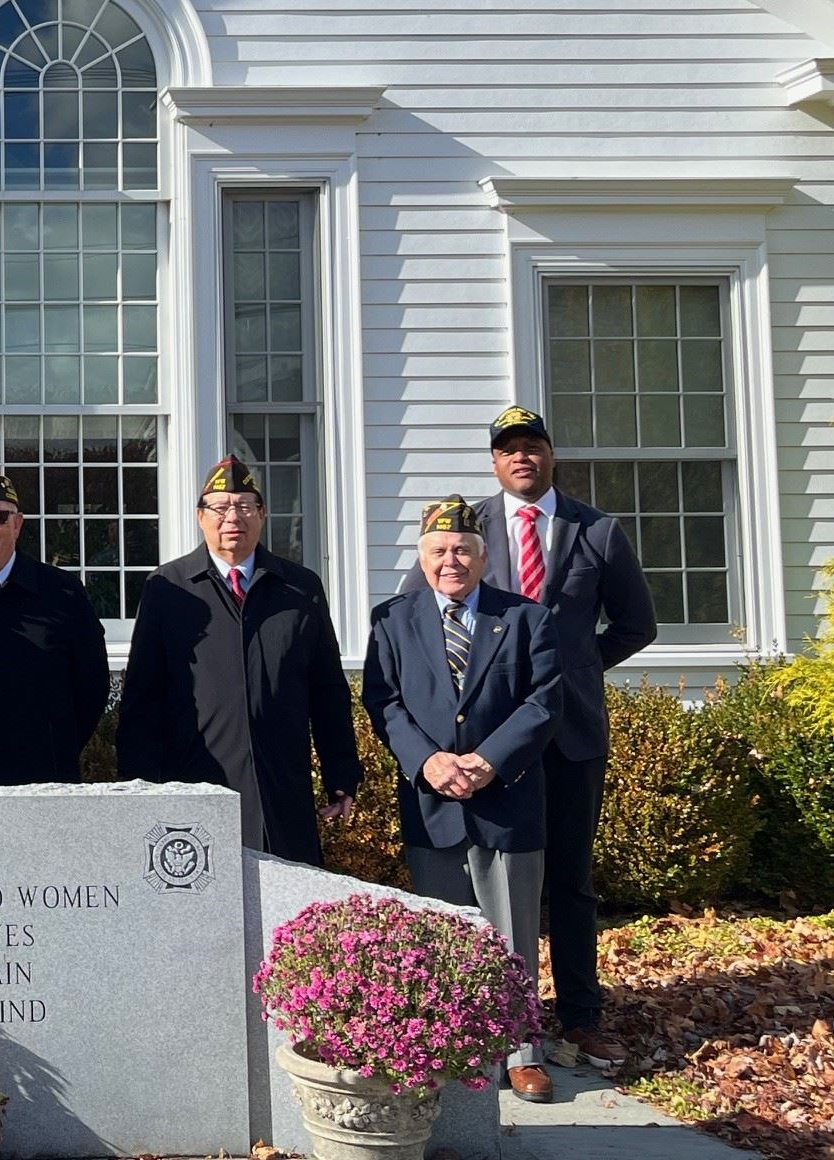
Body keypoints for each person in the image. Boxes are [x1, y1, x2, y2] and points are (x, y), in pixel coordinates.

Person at [364, 495, 564, 1102]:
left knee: (512, 935)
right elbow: (385, 702)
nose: (450, 561)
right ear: (421, 558)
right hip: (432, 802)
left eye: (462, 550)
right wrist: (429, 762)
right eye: (438, 551)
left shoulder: (527, 618)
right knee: (439, 937)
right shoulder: (393, 621)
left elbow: (543, 701)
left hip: (506, 801)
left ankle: (521, 1053)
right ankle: (451, 1051)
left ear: (483, 556)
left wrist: (486, 761)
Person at [478, 404, 656, 1070]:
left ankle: (580, 1016)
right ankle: (498, 1018)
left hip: (573, 733)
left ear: (551, 455)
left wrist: (573, 672)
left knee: (571, 881)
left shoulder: (597, 532)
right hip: (494, 738)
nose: (522, 457)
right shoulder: (469, 528)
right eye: (509, 449)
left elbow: (636, 625)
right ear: (495, 463)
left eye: (533, 446)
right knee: (496, 881)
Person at [116, 456, 360, 865]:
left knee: (289, 920)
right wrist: (140, 788)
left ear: (263, 514)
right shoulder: (168, 588)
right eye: (220, 506)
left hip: (281, 790)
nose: (233, 517)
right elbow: (143, 695)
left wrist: (341, 774)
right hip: (197, 790)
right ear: (200, 516)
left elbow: (327, 690)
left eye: (245, 505)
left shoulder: (299, 588)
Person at [0, 466, 109, 784]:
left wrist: (55, 746)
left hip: (42, 776)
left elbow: (91, 686)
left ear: (17, 524)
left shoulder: (63, 592)